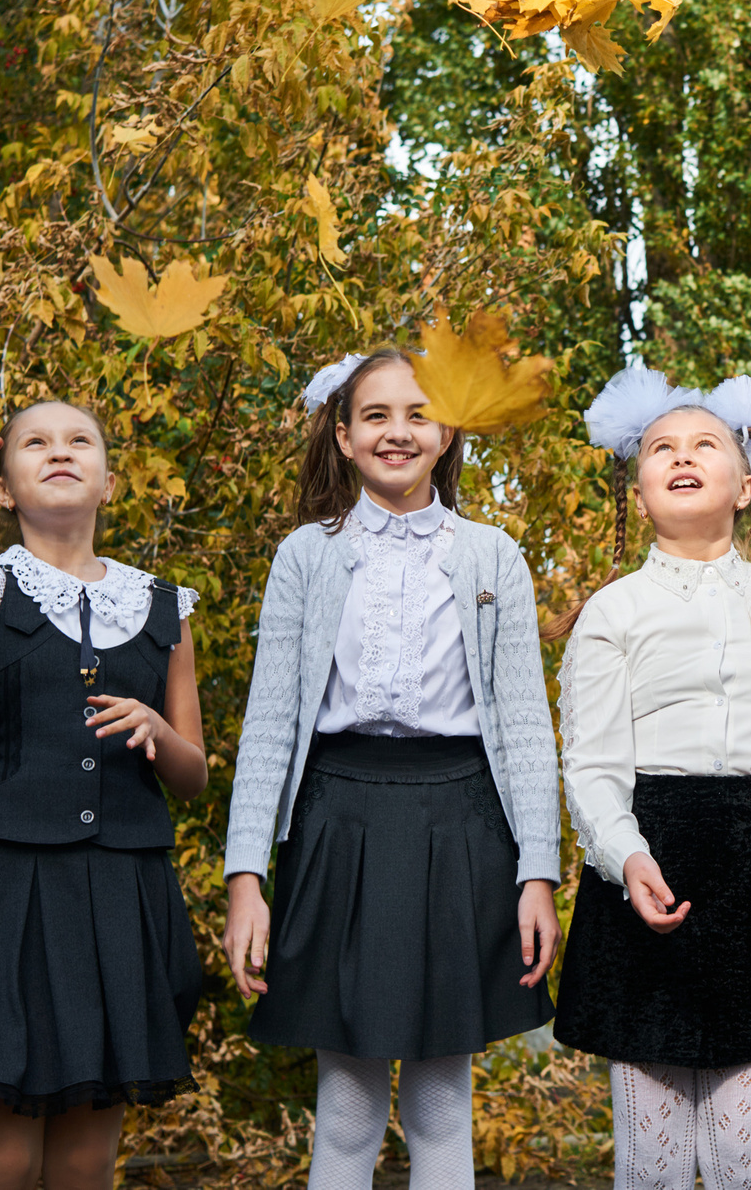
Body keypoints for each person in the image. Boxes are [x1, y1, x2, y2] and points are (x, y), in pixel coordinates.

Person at [221, 349, 561, 1190]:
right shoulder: (305, 554)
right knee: (344, 1102)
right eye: (376, 415)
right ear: (343, 436)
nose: (398, 431)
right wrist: (245, 874)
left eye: (418, 413)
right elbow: (268, 723)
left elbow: (523, 724)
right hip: (338, 823)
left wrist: (539, 872)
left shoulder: (491, 556)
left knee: (443, 1102)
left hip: (460, 824)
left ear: (446, 432)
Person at [0, 401, 207, 1190]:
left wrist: (159, 730)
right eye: (35, 441)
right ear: (3, 487)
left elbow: (193, 774)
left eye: (79, 440)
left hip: (120, 893)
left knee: (86, 1160)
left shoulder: (165, 605)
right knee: (7, 1156)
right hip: (6, 893)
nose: (59, 451)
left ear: (109, 482)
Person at [549, 367, 751, 1190]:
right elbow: (594, 766)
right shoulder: (611, 612)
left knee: (740, 1154)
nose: (683, 456)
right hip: (650, 865)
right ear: (639, 491)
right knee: (654, 1163)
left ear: (747, 482)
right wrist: (628, 859)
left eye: (704, 444)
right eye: (661, 449)